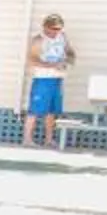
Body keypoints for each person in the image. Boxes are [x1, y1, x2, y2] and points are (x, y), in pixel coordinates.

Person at [22, 12, 75, 146]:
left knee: (52, 111)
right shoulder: (38, 40)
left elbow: (70, 53)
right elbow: (32, 60)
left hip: (57, 79)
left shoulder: (62, 38)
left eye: (58, 29)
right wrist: (52, 65)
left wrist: (67, 61)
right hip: (42, 78)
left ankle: (49, 139)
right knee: (35, 110)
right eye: (53, 29)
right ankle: (27, 139)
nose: (55, 32)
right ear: (46, 27)